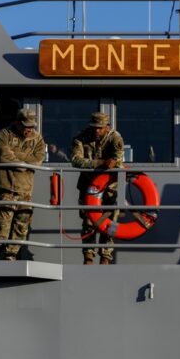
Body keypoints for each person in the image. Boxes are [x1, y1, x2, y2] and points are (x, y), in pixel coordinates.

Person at [0, 108, 45, 260]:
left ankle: (10, 256)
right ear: (17, 123)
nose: (29, 130)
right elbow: (4, 156)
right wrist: (25, 160)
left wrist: (17, 159)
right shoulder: (4, 135)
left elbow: (38, 161)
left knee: (21, 228)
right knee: (1, 229)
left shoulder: (38, 139)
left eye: (31, 126)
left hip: (26, 191)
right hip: (6, 189)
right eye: (26, 126)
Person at [71, 112, 124, 265]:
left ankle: (106, 257)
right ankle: (88, 256)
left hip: (110, 189)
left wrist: (111, 162)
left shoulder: (115, 138)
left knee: (111, 222)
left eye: (100, 128)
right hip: (89, 187)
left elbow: (117, 160)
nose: (96, 131)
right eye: (94, 127)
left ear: (107, 127)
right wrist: (100, 163)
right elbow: (76, 160)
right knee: (88, 222)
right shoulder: (81, 138)